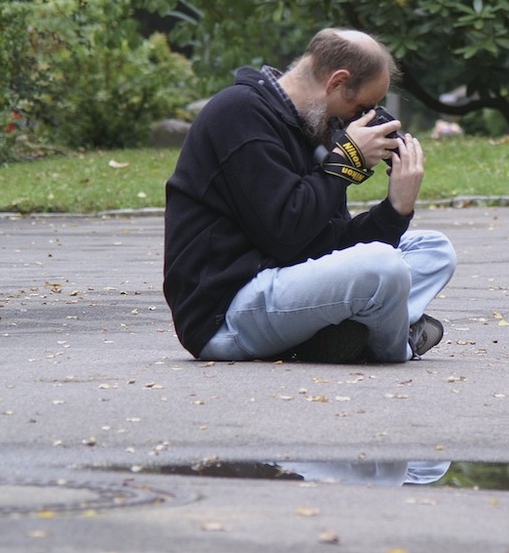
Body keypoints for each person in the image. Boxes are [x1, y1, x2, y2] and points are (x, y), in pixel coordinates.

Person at [163, 28, 456, 363]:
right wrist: (346, 162)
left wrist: (396, 209)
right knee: (384, 267)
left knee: (434, 250)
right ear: (337, 83)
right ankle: (396, 344)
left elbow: (329, 243)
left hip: (281, 286)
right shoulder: (239, 113)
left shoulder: (310, 130)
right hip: (225, 313)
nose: (362, 120)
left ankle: (337, 335)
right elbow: (285, 236)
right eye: (362, 107)